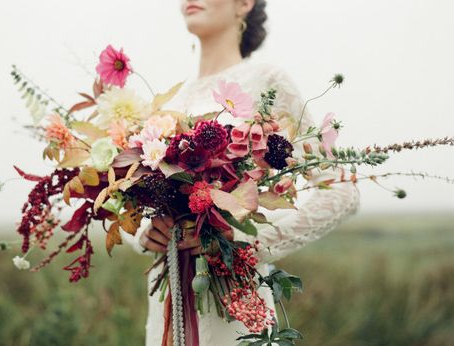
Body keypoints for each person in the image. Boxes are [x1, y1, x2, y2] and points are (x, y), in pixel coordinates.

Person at [120, 1, 360, 345]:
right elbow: (126, 199)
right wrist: (143, 233)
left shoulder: (268, 81)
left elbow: (341, 190)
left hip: (233, 296)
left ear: (244, 4)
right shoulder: (170, 102)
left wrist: (248, 244)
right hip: (167, 292)